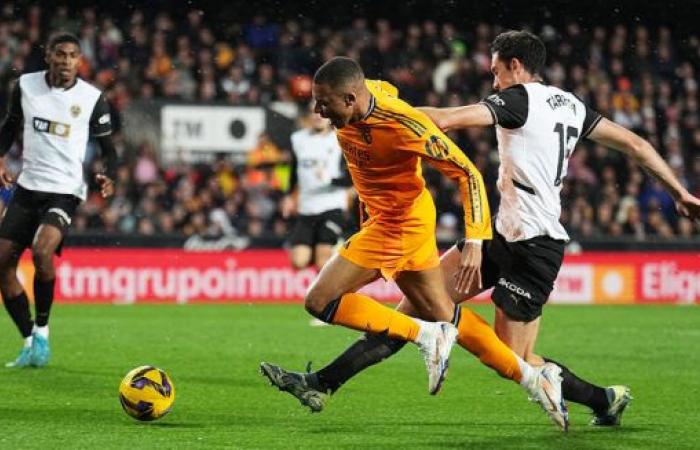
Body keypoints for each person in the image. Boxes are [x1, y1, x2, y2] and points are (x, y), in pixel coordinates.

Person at [262, 32, 700, 428]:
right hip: (500, 236)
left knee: (515, 359)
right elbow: (637, 145)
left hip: (536, 245)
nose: (493, 82)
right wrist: (679, 191)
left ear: (514, 65)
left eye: (494, 71)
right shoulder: (571, 104)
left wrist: (389, 118)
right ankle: (323, 381)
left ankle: (602, 399)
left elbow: (446, 120)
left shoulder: (519, 98)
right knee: (412, 313)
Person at [261, 56, 569, 430]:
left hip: (398, 223)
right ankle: (535, 381)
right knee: (444, 312)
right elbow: (382, 87)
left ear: (349, 99)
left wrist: (475, 238)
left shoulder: (403, 125)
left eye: (324, 104)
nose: (317, 111)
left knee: (319, 300)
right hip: (401, 218)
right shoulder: (367, 94)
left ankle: (425, 335)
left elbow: (467, 173)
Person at [0, 32, 117, 368]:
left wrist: (110, 175)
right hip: (28, 187)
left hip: (65, 190)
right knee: (3, 266)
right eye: (61, 54)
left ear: (80, 60)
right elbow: (10, 125)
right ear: (49, 56)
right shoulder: (25, 86)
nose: (67, 62)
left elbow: (110, 150)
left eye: (73, 56)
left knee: (41, 251)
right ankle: (29, 341)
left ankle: (43, 330)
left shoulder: (92, 97)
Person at [283, 106, 350, 271]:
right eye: (314, 112)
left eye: (323, 113)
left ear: (330, 117)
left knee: (322, 261)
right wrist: (288, 196)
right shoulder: (298, 139)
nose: (318, 116)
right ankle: (330, 248)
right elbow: (294, 171)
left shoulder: (339, 140)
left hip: (331, 207)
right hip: (307, 208)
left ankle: (329, 247)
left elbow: (350, 179)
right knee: (298, 261)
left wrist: (330, 179)